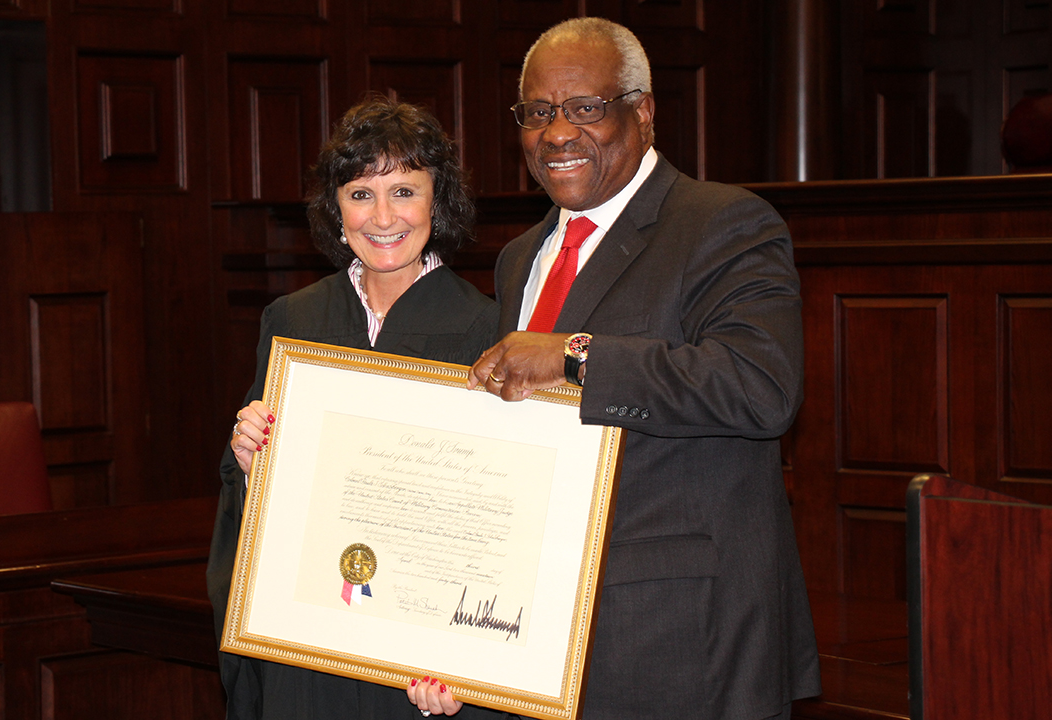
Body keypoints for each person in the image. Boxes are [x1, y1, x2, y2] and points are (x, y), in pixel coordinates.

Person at [413, 17, 822, 720]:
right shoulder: (521, 258)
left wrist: (576, 358)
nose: (558, 133)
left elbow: (762, 388)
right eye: (538, 113)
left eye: (585, 108)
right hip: (540, 635)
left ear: (644, 112)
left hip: (684, 640)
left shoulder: (724, 222)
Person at [206, 96, 501, 720]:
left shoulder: (488, 330)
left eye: (405, 190)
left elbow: (494, 525)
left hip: (414, 664)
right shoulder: (294, 321)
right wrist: (248, 458)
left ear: (437, 202)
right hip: (308, 649)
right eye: (361, 193)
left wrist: (468, 661)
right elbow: (254, 509)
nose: (383, 216)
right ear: (336, 209)